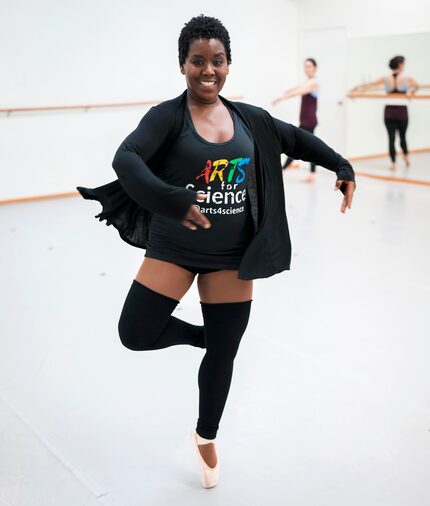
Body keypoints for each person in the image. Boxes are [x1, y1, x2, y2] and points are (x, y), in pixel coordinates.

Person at [77, 15, 355, 489]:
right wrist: (170, 198)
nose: (208, 70)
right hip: (175, 246)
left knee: (223, 358)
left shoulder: (249, 119)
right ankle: (202, 337)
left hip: (233, 254)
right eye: (198, 61)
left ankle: (206, 435)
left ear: (229, 64)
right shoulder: (169, 116)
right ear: (183, 65)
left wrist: (341, 164)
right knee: (136, 332)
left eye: (217, 61)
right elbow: (126, 159)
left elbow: (296, 138)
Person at [350, 55, 419, 171]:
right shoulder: (407, 79)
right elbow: (417, 86)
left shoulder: (386, 79)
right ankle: (405, 156)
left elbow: (370, 84)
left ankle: (393, 163)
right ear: (401, 65)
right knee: (402, 137)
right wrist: (411, 93)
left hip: (390, 112)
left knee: (391, 138)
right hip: (401, 112)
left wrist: (356, 88)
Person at [272, 58, 319, 182]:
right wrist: (288, 91)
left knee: (295, 144)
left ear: (314, 68)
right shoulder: (308, 81)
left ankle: (282, 169)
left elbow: (300, 91)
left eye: (309, 66)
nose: (306, 69)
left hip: (309, 121)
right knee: (306, 147)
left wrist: (282, 97)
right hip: (306, 121)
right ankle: (312, 174)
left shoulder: (313, 82)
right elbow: (298, 87)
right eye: (305, 66)